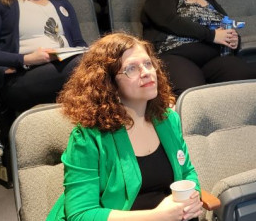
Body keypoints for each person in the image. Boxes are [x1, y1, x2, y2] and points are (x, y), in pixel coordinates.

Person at [47, 32, 203, 220]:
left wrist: (193, 198)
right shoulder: (87, 137)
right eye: (131, 69)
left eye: (148, 64)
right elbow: (81, 214)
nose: (146, 72)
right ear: (108, 83)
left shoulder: (168, 119)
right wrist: (157, 216)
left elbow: (187, 172)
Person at [141, 0, 256, 96]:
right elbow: (169, 20)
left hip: (214, 57)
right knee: (193, 94)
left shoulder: (209, 0)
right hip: (176, 54)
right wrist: (212, 35)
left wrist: (234, 39)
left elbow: (227, 24)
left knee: (249, 81)